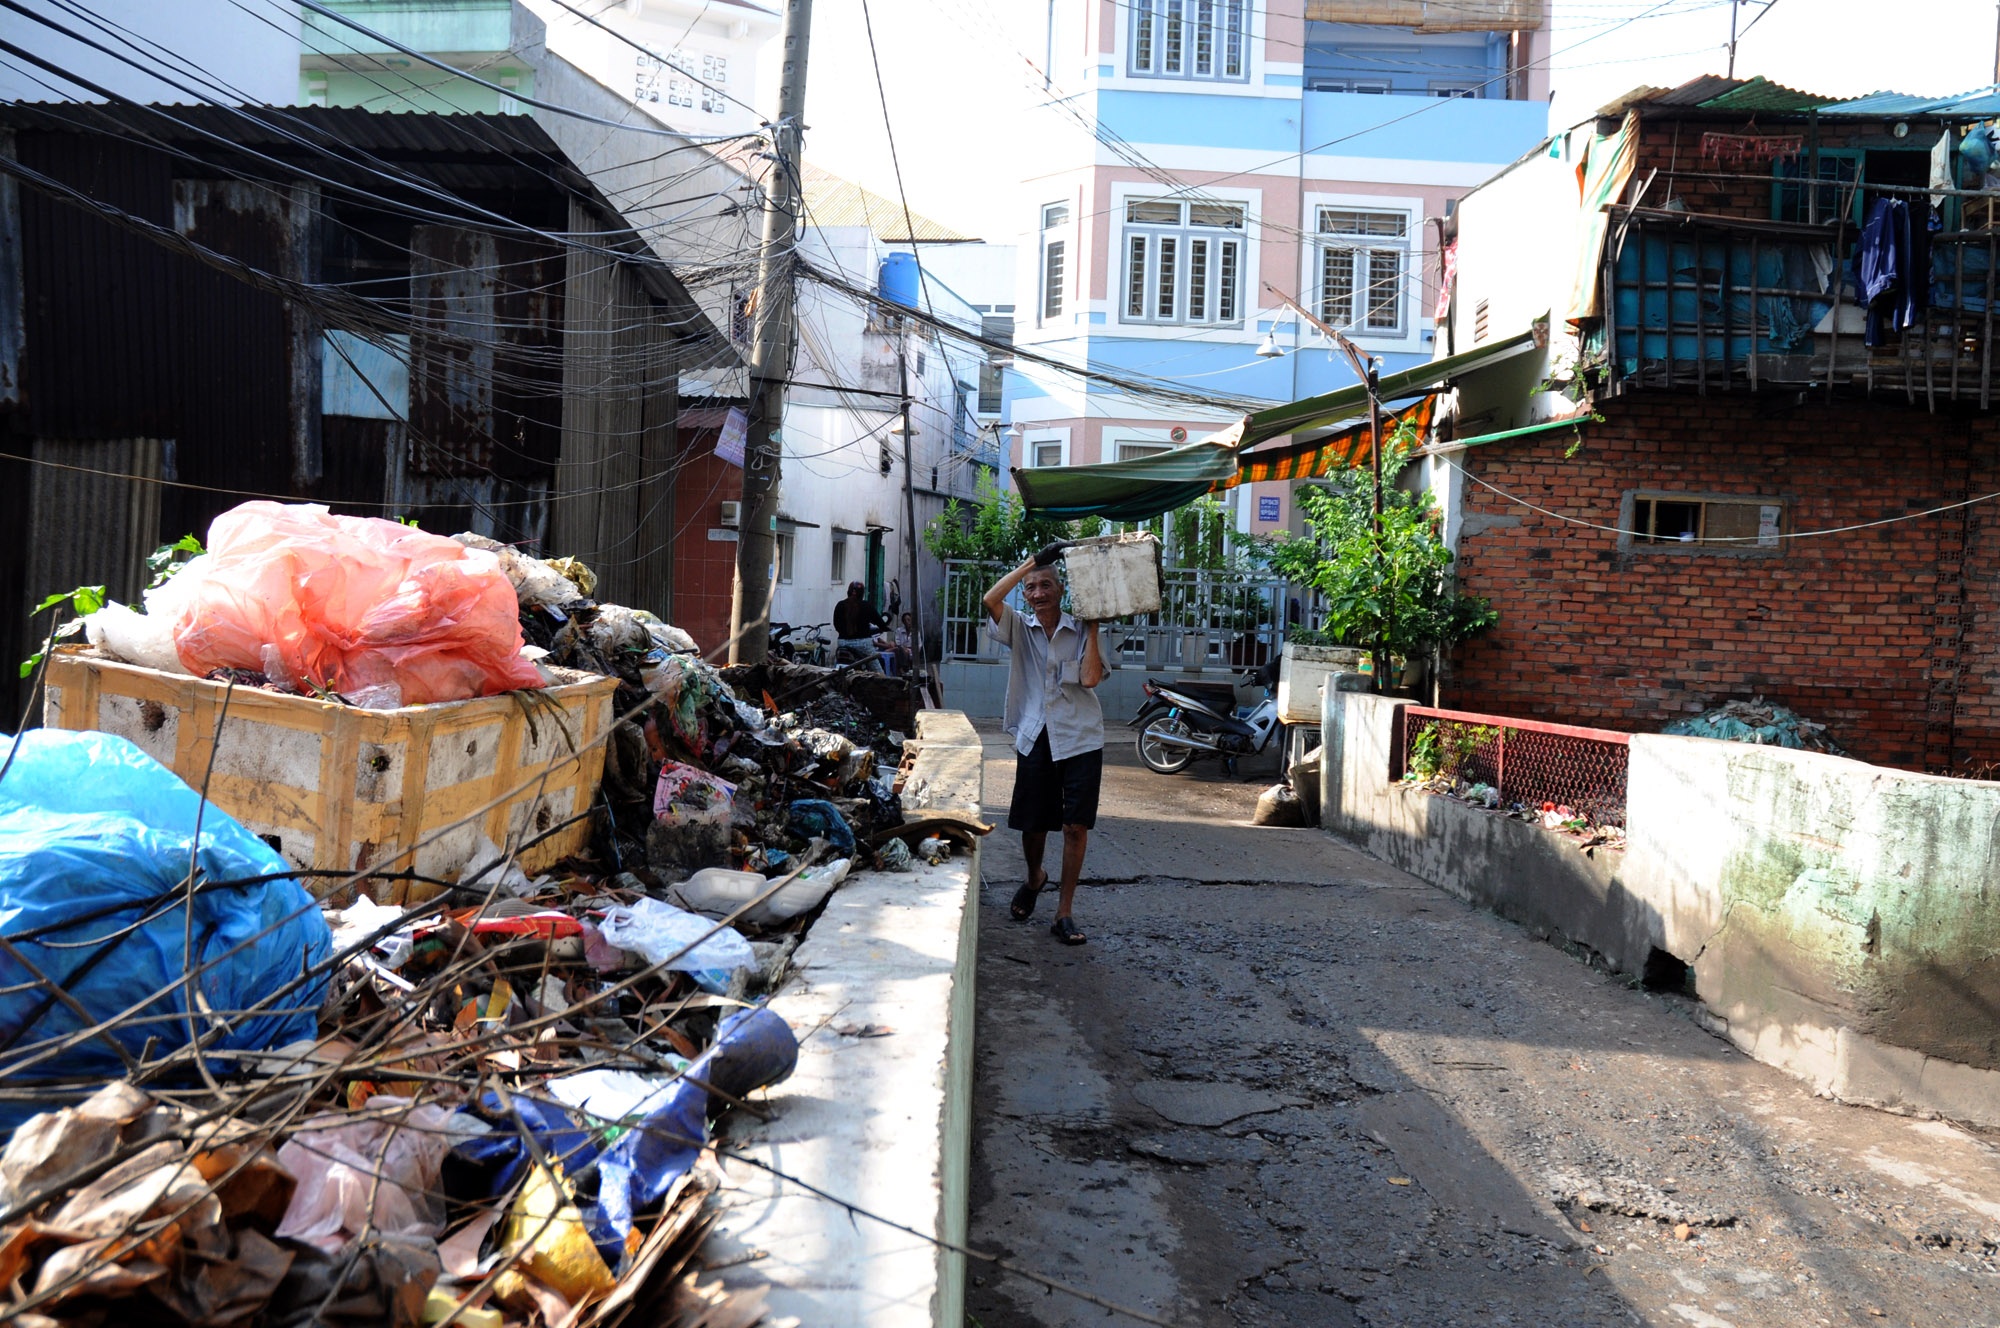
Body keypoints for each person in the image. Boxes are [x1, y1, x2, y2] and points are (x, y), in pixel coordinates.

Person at [983, 543, 1106, 946]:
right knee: (1034, 824)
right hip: (1035, 734)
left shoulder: (1080, 628)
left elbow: (1089, 679)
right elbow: (990, 599)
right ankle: (1035, 875)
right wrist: (1032, 562)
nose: (1038, 593)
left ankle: (1064, 911)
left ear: (1060, 590)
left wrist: (1093, 625)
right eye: (1032, 587)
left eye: (1046, 585)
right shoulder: (1018, 626)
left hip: (1081, 737)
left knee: (1075, 826)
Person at [832, 581, 889, 672]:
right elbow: (879, 622)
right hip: (863, 644)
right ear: (862, 593)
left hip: (842, 643)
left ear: (848, 592)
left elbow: (836, 625)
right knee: (877, 670)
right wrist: (884, 627)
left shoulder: (840, 605)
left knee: (837, 667)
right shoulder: (867, 606)